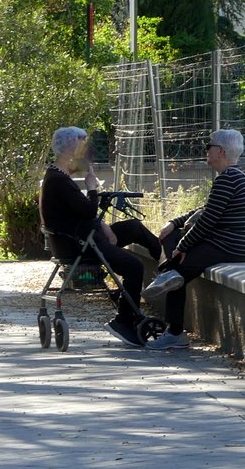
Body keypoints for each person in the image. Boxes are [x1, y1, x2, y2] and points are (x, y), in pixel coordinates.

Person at [39, 126, 162, 348]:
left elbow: (80, 213)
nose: (87, 151)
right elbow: (87, 211)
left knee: (133, 226)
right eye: (83, 145)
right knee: (133, 266)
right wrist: (92, 188)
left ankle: (165, 263)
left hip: (85, 238)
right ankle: (123, 321)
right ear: (71, 149)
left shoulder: (57, 176)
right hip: (81, 245)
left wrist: (103, 224)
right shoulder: (59, 181)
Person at [142, 128, 245, 350]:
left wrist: (182, 246)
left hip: (229, 246)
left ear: (221, 151)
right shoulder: (235, 177)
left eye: (209, 147)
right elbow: (205, 210)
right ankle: (165, 274)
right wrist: (175, 223)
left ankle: (174, 330)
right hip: (231, 244)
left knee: (177, 268)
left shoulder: (228, 179)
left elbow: (207, 222)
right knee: (174, 252)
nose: (206, 150)